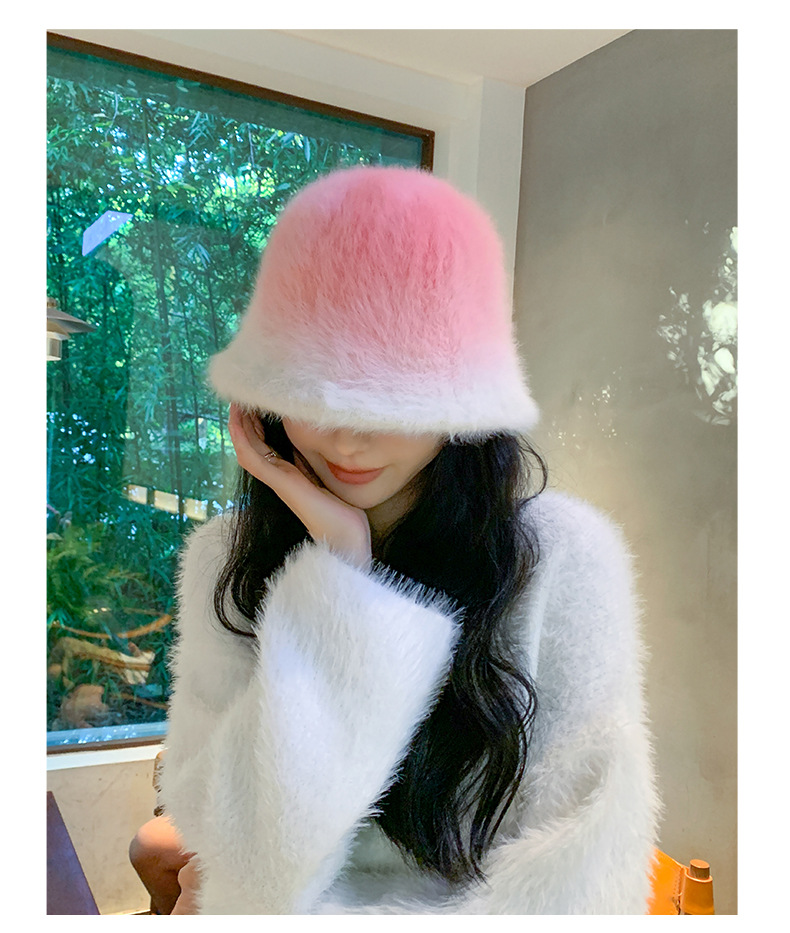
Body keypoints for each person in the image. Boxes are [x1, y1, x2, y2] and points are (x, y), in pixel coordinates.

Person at [130, 164, 660, 914]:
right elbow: (246, 864)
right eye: (313, 388)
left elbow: (578, 878)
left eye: (393, 393)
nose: (348, 434)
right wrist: (339, 577)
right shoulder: (228, 557)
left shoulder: (561, 556)